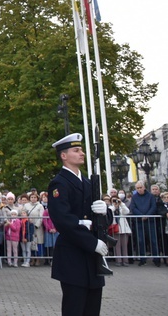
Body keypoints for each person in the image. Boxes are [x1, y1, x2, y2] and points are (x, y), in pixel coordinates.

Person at [47, 133, 110, 316]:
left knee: (92, 309)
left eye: (81, 149)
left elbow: (100, 218)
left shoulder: (89, 183)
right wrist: (92, 243)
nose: (82, 153)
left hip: (92, 258)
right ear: (64, 155)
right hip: (73, 256)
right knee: (74, 309)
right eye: (76, 150)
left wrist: (106, 211)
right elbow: (63, 220)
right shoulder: (59, 183)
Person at [129, 180, 159, 266]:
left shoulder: (150, 196)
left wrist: (147, 215)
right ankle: (142, 259)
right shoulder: (134, 197)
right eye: (137, 188)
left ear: (144, 187)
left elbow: (153, 207)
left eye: (140, 187)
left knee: (153, 240)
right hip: (139, 221)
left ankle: (156, 259)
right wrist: (141, 215)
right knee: (140, 240)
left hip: (150, 221)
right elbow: (133, 208)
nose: (139, 189)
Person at [110, 194, 131, 267]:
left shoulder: (122, 207)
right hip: (115, 228)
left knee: (124, 245)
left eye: (116, 200)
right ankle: (118, 260)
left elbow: (127, 211)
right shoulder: (110, 207)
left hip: (124, 228)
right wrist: (114, 206)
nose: (115, 201)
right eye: (113, 200)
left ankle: (125, 260)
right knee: (117, 245)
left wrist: (121, 203)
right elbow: (109, 211)